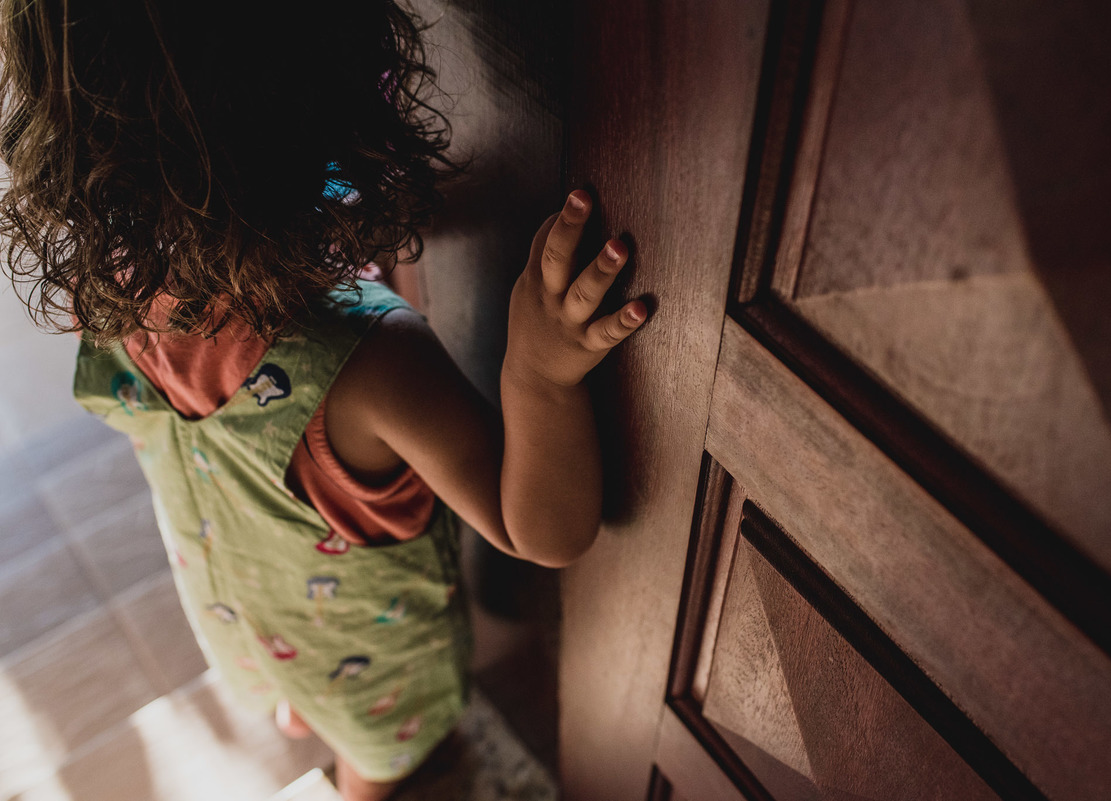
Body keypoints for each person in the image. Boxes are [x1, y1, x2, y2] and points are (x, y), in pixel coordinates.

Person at [0, 2, 646, 799]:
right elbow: (542, 530)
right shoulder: (372, 362)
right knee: (379, 768)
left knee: (313, 692)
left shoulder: (110, 297)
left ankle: (308, 703)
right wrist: (540, 375)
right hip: (377, 683)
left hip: (245, 621)